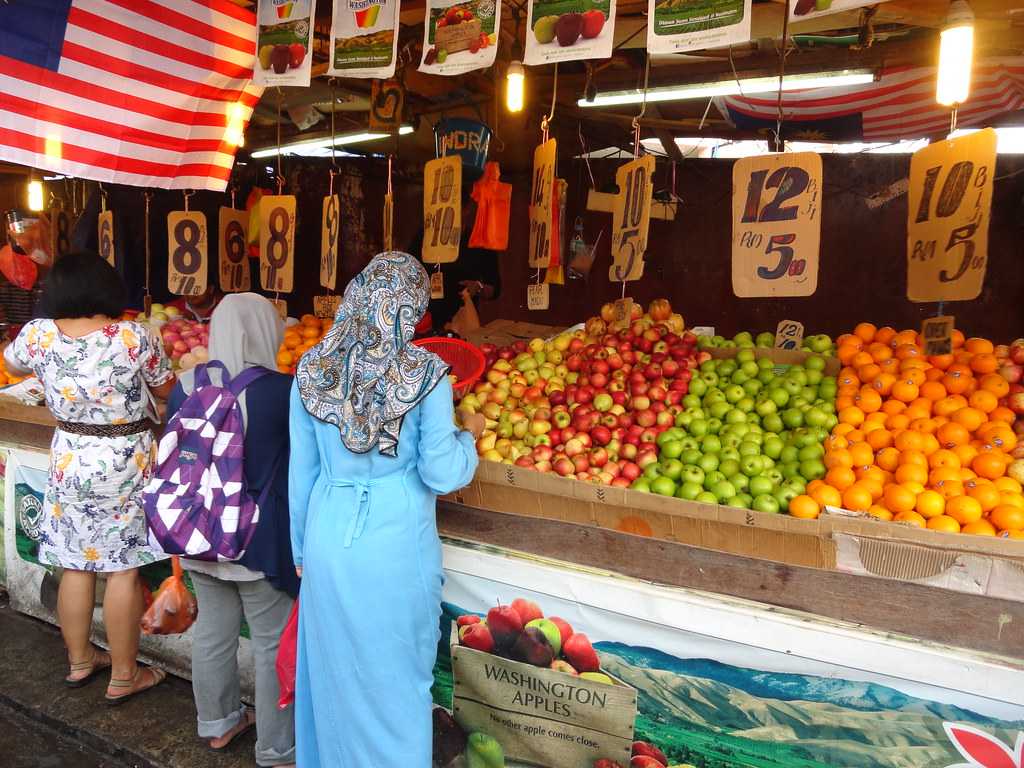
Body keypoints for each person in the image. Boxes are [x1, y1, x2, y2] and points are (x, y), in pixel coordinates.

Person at [289, 251, 484, 766]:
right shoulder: (426, 373)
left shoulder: (312, 369)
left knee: (335, 679)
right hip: (396, 544)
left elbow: (301, 475)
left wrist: (301, 551)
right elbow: (440, 472)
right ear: (413, 307)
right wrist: (470, 439)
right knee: (398, 684)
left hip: (328, 537)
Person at [3, 252, 174, 704]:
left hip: (70, 455)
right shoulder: (135, 337)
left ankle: (80, 661)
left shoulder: (38, 334)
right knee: (122, 566)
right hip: (124, 457)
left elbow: (14, 364)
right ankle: (123, 675)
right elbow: (165, 388)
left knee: (74, 562)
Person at [167, 293, 297, 767]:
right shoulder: (282, 392)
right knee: (270, 643)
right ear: (266, 332)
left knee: (213, 634)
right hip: (256, 542)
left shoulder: (184, 386)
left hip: (198, 535)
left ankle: (218, 725)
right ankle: (277, 748)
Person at [408, 186, 502, 332]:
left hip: (463, 324)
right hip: (424, 324)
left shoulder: (479, 242)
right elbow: (407, 273)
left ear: (466, 210)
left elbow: (494, 289)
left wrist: (478, 287)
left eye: (453, 209)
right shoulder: (423, 237)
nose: (446, 215)